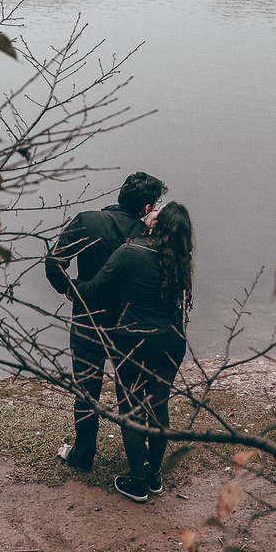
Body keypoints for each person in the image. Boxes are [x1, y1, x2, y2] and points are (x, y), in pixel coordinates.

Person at [45, 172, 167, 472]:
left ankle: (83, 454)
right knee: (133, 393)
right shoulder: (148, 233)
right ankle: (139, 457)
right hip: (130, 325)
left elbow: (54, 263)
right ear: (146, 207)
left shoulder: (86, 221)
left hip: (88, 320)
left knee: (86, 390)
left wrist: (70, 290)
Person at [74, 202, 193, 502]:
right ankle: (154, 476)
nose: (149, 212)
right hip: (172, 341)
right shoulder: (178, 258)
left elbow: (93, 290)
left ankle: (137, 482)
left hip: (134, 341)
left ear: (156, 223)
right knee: (159, 407)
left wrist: (70, 285)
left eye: (156, 211)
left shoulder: (131, 252)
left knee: (131, 409)